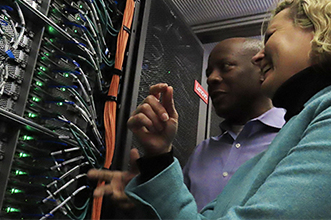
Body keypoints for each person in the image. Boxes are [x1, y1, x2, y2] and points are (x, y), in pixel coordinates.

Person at [88, 0, 331, 218]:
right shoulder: (281, 142)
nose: (259, 57)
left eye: (270, 36)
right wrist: (156, 170)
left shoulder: (322, 115)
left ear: (319, 29)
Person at [183, 37, 285, 211]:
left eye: (226, 67)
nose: (211, 79)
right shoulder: (202, 151)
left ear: (262, 70)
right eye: (209, 73)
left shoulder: (295, 135)